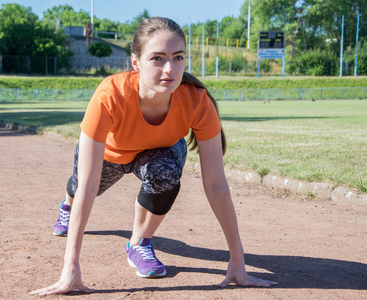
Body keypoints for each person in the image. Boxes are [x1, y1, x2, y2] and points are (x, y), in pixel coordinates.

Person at [30, 17, 276, 296]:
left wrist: (237, 260)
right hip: (112, 153)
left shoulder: (197, 100)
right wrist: (70, 265)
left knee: (166, 174)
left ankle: (139, 243)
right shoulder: (110, 95)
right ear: (135, 62)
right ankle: (66, 206)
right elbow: (88, 182)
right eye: (157, 58)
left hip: (158, 151)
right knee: (79, 188)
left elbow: (216, 185)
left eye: (178, 57)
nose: (170, 68)